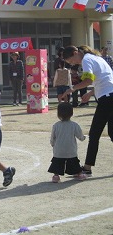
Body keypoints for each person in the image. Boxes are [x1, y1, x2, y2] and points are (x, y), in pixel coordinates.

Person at [62, 45, 113, 176]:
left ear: (75, 53)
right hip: (109, 95)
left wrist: (72, 89)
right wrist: (91, 93)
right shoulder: (97, 58)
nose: (72, 63)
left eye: (71, 60)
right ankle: (87, 167)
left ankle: (87, 168)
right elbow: (105, 79)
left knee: (94, 134)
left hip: (107, 99)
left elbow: (89, 80)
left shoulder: (86, 60)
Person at [48, 102, 87, 183]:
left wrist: (52, 144)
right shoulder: (74, 125)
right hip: (71, 150)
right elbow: (79, 135)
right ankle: (79, 174)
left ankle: (56, 176)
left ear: (58, 114)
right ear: (71, 113)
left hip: (58, 150)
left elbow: (53, 137)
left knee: (57, 163)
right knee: (74, 162)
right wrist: (83, 138)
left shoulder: (56, 125)